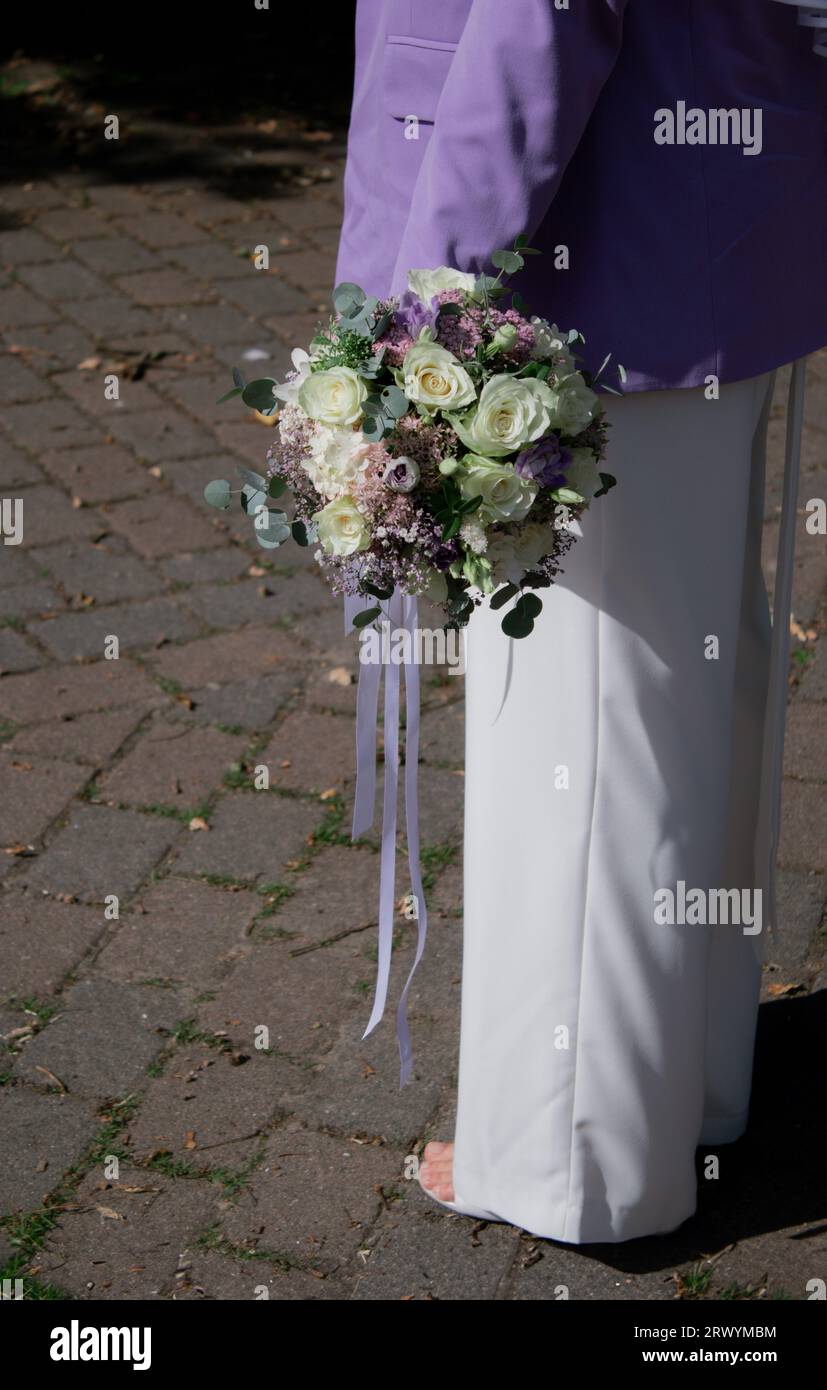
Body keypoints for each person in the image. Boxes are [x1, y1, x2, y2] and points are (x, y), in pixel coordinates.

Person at [334, 0, 827, 1242]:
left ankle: (576, 1164)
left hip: (588, 245)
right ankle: (686, 1083)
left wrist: (426, 310)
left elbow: (536, 21)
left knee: (585, 725)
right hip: (705, 212)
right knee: (680, 683)